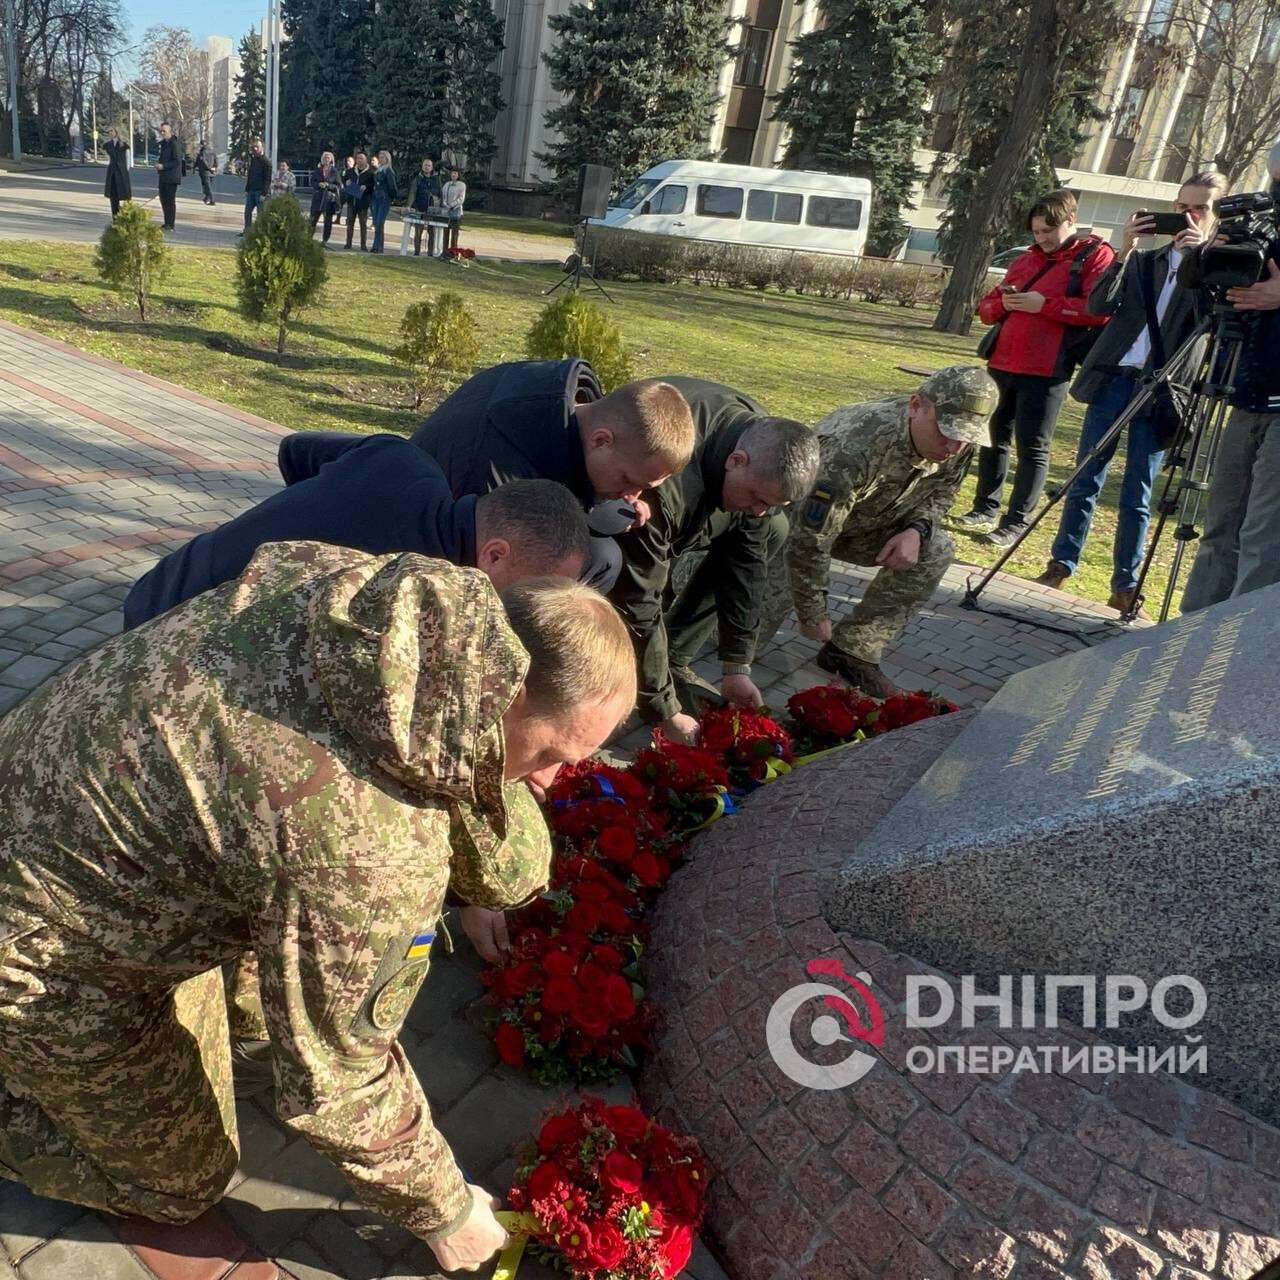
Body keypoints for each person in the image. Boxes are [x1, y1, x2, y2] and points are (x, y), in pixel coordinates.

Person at [0, 547, 636, 1274]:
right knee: (177, 1184)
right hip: (42, 950)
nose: (553, 782)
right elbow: (341, 1082)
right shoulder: (362, 845)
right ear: (510, 698)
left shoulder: (385, 604)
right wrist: (447, 1211)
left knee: (260, 1002)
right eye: (552, 752)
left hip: (53, 809)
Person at [122, 435, 593, 626]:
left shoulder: (400, 457)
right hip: (173, 655)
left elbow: (295, 452)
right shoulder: (412, 598)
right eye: (535, 588)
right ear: (493, 554)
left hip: (158, 586)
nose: (529, 605)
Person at [1037, 174, 1223, 614]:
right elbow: (1099, 306)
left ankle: (1125, 584)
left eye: (1201, 209)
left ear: (1214, 216)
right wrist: (1124, 251)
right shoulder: (1145, 261)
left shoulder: (1215, 272)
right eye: (1183, 207)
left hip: (1162, 391)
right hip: (1114, 379)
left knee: (1138, 491)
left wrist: (1199, 260)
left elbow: (1211, 323)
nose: (1189, 216)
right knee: (1086, 476)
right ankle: (1061, 565)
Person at [610, 376, 819, 742]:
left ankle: (672, 655)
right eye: (756, 497)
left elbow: (747, 565)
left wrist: (737, 664)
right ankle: (636, 671)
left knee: (772, 530)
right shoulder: (666, 484)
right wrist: (664, 710)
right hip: (610, 519)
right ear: (736, 461)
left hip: (701, 486)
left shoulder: (761, 447)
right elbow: (641, 597)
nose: (758, 510)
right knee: (650, 585)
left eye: (769, 504)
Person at [782, 366, 998, 697]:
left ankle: (852, 650)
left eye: (966, 437)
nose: (955, 448)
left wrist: (917, 529)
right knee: (744, 642)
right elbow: (807, 538)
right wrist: (812, 611)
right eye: (946, 432)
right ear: (916, 406)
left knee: (936, 548)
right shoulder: (854, 446)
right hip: (787, 530)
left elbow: (943, 492)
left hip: (865, 526)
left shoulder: (956, 444)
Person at [411, 359, 696, 590]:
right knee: (592, 561)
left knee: (603, 557)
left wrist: (612, 506)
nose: (632, 496)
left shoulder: (571, 409)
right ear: (601, 441)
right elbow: (484, 565)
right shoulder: (492, 464)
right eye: (627, 480)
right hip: (430, 551)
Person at [955, 189, 1115, 548]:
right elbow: (987, 307)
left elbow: (1098, 309)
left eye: (1048, 232)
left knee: (1033, 446)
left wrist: (1044, 305)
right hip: (1004, 360)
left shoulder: (1095, 255)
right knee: (993, 437)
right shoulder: (1026, 259)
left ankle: (1017, 520)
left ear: (1071, 221)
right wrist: (1004, 305)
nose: (1041, 240)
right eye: (1036, 232)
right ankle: (985, 506)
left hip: (1048, 367)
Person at [1179, 146, 1280, 612]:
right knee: (1221, 524)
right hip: (1247, 390)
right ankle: (1188, 632)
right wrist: (1205, 254)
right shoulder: (1264, 224)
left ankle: (1236, 652)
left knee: (1263, 534)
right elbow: (1202, 286)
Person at [406, 157, 443, 257]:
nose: (427, 167)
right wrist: (409, 205)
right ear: (422, 167)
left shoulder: (436, 179)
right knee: (418, 231)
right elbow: (412, 192)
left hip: (433, 209)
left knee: (432, 232)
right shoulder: (417, 178)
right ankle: (416, 252)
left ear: (432, 168)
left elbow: (441, 193)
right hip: (420, 207)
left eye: (429, 165)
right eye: (425, 165)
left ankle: (430, 253)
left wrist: (442, 207)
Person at [155, 121, 182, 232]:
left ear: (170, 131)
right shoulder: (163, 143)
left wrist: (163, 166)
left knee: (170, 201)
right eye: (161, 131)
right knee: (163, 200)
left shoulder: (174, 144)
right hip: (163, 176)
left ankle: (171, 224)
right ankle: (166, 222)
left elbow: (177, 161)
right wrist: (158, 165)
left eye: (164, 131)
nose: (162, 133)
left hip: (172, 178)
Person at [345, 151, 375, 251]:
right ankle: (348, 243)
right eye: (358, 158)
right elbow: (344, 181)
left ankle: (363, 245)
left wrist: (366, 187)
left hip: (363, 202)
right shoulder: (350, 171)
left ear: (366, 160)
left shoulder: (370, 173)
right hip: (351, 201)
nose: (359, 160)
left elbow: (373, 186)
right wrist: (347, 182)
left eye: (361, 158)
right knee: (350, 223)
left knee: (363, 224)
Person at [371, 149, 399, 254]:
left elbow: (393, 187)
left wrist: (390, 198)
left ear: (387, 159)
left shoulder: (388, 171)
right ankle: (375, 245)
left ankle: (379, 246)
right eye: (380, 157)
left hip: (384, 199)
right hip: (377, 198)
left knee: (379, 222)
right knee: (376, 223)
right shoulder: (379, 170)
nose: (380, 159)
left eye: (383, 157)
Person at [309, 150, 340, 243]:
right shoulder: (318, 170)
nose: (326, 159)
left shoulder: (334, 171)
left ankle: (325, 240)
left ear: (331, 159)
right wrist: (318, 184)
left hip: (328, 199)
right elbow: (312, 182)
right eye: (325, 157)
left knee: (327, 221)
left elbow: (338, 185)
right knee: (312, 219)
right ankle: (308, 238)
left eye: (328, 158)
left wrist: (328, 185)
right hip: (318, 198)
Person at [243, 138, 271, 232]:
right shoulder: (254, 159)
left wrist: (264, 193)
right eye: (253, 147)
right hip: (251, 191)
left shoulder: (266, 162)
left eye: (257, 147)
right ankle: (247, 231)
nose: (255, 149)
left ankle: (260, 232)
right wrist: (247, 189)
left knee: (260, 214)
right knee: (247, 212)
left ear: (262, 147)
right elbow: (250, 175)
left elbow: (268, 179)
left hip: (260, 192)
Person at [103, 126, 131, 218]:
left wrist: (125, 170)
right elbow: (108, 158)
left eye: (112, 131)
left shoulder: (123, 144)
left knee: (125, 195)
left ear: (116, 131)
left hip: (122, 172)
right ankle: (115, 217)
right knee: (113, 196)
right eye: (109, 132)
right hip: (112, 173)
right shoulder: (107, 145)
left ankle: (126, 216)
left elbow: (128, 159)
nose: (110, 133)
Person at [441, 166, 465, 259]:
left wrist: (452, 205)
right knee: (445, 232)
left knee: (454, 234)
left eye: (455, 173)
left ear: (458, 175)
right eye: (452, 173)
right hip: (446, 211)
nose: (453, 175)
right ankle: (444, 252)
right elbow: (443, 195)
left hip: (456, 211)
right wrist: (445, 203)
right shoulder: (447, 184)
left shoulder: (461, 185)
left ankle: (453, 253)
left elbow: (461, 198)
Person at [195, 140, 217, 205]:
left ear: (202, 145)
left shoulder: (202, 152)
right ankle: (206, 198)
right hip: (212, 172)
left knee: (207, 187)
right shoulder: (212, 151)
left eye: (200, 144)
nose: (200, 146)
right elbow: (216, 160)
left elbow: (203, 161)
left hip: (205, 171)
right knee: (208, 186)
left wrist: (209, 169)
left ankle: (212, 200)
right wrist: (215, 168)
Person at [338, 154, 356, 227]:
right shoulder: (344, 170)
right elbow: (341, 178)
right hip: (344, 189)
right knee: (340, 204)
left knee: (350, 206)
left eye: (350, 161)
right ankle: (337, 218)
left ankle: (348, 220)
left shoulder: (355, 170)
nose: (348, 162)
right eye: (348, 161)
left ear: (353, 162)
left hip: (352, 189)